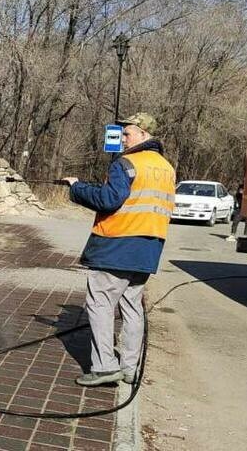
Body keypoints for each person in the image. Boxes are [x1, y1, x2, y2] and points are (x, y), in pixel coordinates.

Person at [62, 112, 175, 387]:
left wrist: (77, 188)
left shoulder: (126, 163)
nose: (123, 138)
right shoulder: (167, 168)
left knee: (100, 304)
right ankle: (129, 368)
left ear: (144, 135)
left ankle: (103, 368)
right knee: (132, 307)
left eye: (128, 133)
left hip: (117, 245)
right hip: (148, 249)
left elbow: (109, 199)